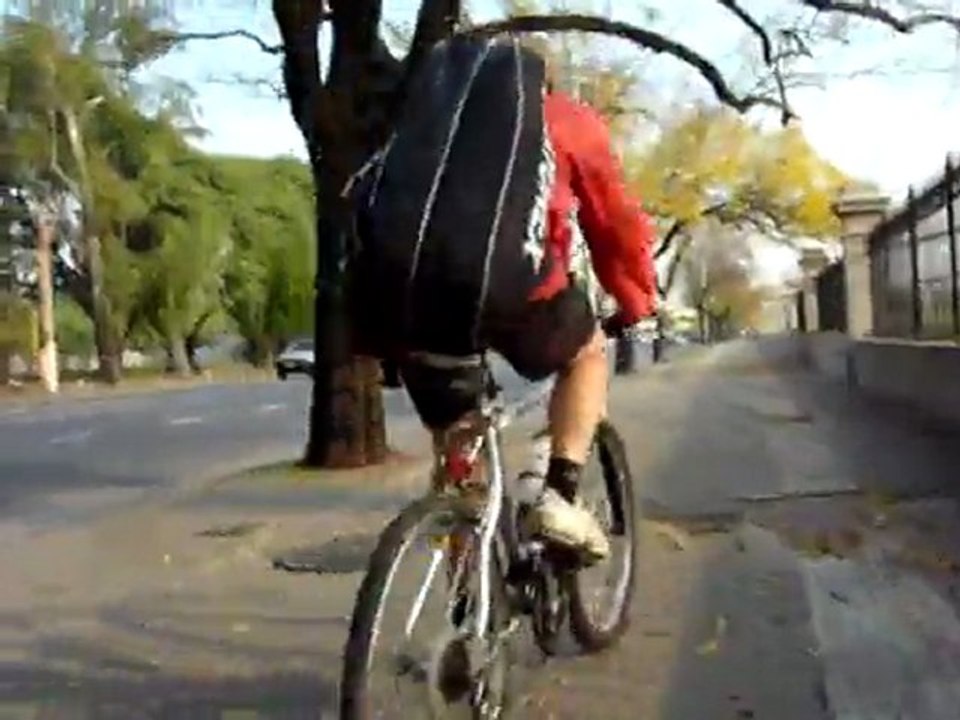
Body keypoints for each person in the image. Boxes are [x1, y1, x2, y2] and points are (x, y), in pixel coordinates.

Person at [350, 42, 657, 564]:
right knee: (586, 352)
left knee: (457, 435)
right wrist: (635, 299)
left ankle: (466, 599)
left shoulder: (425, 125)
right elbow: (615, 224)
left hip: (405, 301)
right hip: (519, 295)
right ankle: (559, 494)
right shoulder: (561, 119)